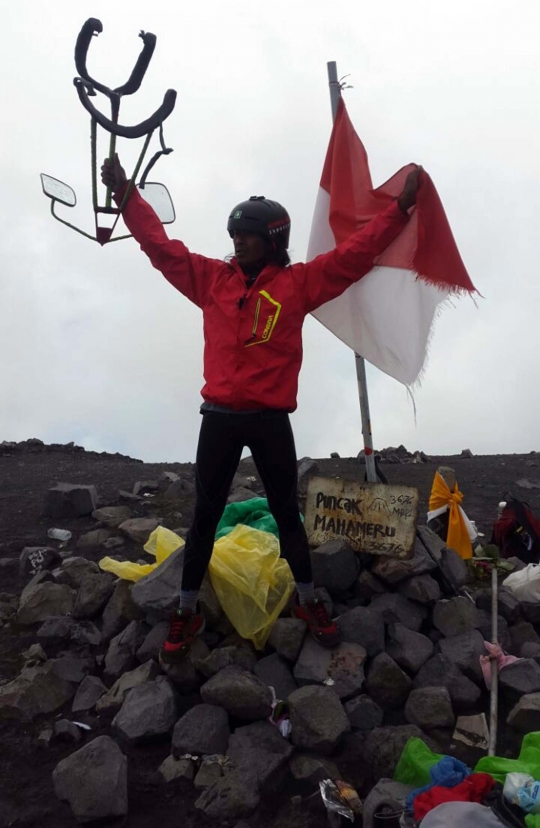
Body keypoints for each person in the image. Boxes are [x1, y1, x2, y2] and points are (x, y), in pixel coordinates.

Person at [101, 155, 422, 661]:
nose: (237, 241)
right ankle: (186, 609)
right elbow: (161, 248)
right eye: (234, 233)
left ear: (273, 238)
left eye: (247, 234)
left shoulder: (297, 285)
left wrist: (400, 211)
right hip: (220, 419)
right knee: (204, 516)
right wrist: (125, 196)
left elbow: (354, 256)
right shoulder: (211, 280)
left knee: (286, 515)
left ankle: (309, 600)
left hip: (272, 420)